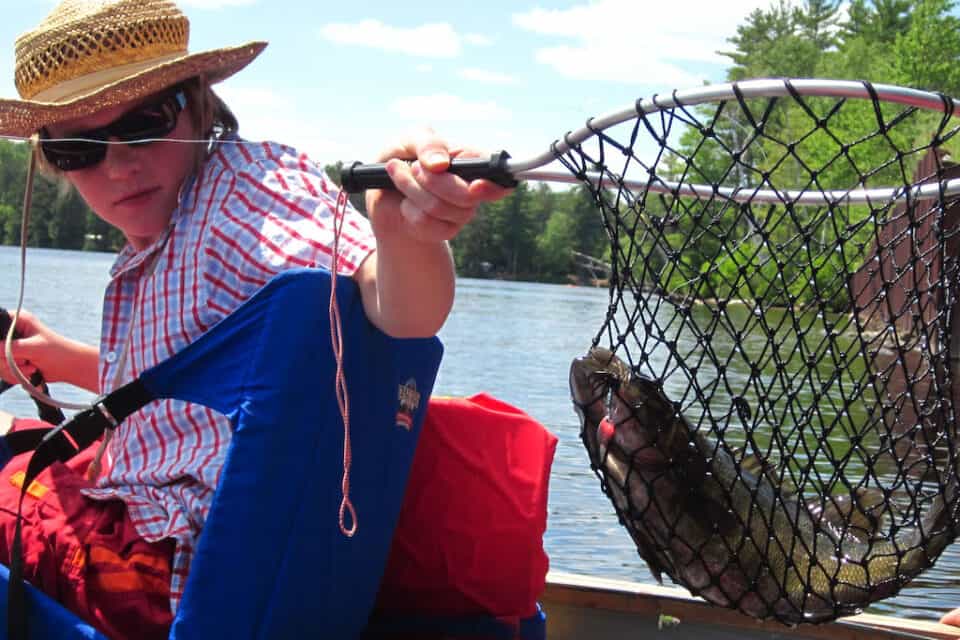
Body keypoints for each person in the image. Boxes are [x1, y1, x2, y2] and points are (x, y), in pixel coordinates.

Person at [0, 0, 509, 638]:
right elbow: (192, 385)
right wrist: (57, 358)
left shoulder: (248, 198)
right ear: (53, 157)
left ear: (199, 105)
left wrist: (405, 234)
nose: (118, 165)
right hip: (174, 524)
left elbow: (396, 314)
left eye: (144, 123)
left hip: (169, 575)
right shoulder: (178, 222)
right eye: (80, 146)